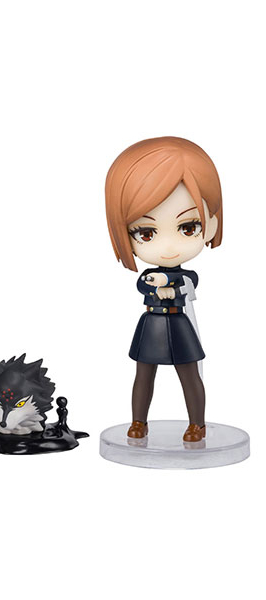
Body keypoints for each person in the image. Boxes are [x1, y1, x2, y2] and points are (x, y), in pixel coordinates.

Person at [105, 137, 222, 442]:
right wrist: (157, 283)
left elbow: (188, 282)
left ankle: (197, 424)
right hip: (152, 324)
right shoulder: (148, 277)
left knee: (189, 375)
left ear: (210, 224)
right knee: (143, 374)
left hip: (179, 325)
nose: (168, 247)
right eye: (146, 233)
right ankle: (138, 422)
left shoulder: (187, 276)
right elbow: (143, 283)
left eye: (188, 227)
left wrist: (170, 284)